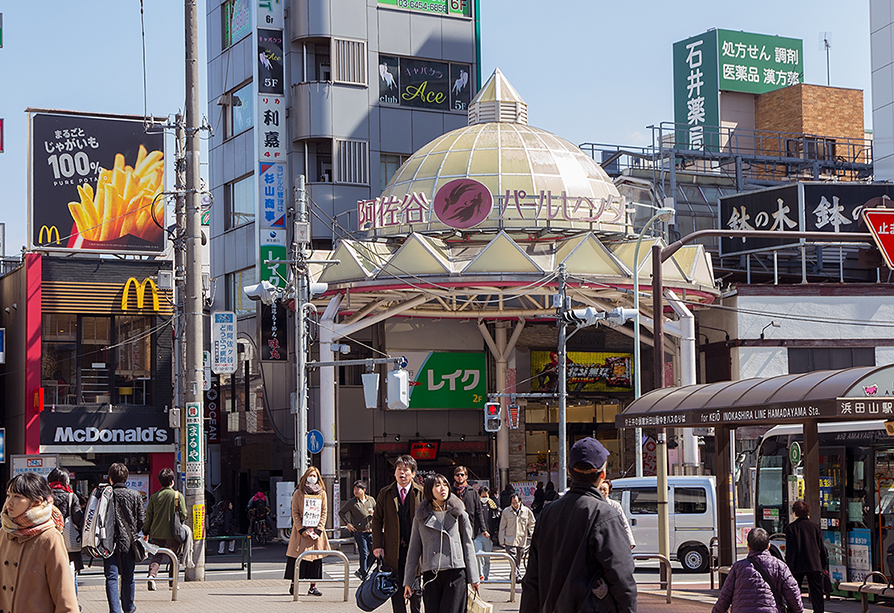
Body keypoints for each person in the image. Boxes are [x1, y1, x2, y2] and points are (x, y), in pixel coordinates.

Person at [520, 437, 636, 613]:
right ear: (603, 474)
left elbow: (532, 581)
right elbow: (622, 580)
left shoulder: (547, 513)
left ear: (569, 472)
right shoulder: (605, 515)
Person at [0, 472, 79, 613]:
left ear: (36, 501)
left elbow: (65, 599)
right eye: (8, 495)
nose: (9, 502)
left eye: (17, 496)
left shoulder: (49, 537)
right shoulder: (4, 532)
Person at [403, 474, 480, 613]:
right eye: (437, 485)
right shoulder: (421, 517)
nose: (442, 488)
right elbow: (414, 550)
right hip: (431, 575)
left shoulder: (459, 513)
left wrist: (474, 577)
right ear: (428, 490)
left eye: (445, 485)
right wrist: (408, 581)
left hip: (456, 573)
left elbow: (468, 545)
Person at [372, 455, 424, 613]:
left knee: (416, 587)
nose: (402, 473)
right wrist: (378, 545)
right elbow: (376, 520)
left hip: (415, 549)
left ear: (413, 473)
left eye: (406, 470)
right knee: (396, 587)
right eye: (399, 469)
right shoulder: (385, 493)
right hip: (393, 550)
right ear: (394, 473)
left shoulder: (421, 493)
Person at [712, 527, 804, 613]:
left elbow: (724, 598)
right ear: (768, 546)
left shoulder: (738, 567)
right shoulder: (780, 566)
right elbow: (793, 594)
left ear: (748, 547)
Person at [105, 462, 146, 613]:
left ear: (110, 478)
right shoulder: (135, 495)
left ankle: (115, 610)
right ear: (127, 478)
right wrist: (134, 531)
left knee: (111, 577)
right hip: (129, 542)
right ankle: (128, 607)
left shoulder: (105, 495)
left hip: (108, 543)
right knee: (128, 576)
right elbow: (142, 519)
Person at [285, 466, 330, 597]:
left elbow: (324, 512)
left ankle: (313, 586)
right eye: (310, 475)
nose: (312, 478)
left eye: (315, 475)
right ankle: (294, 584)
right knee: (297, 559)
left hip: (316, 532)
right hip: (302, 531)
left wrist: (319, 530)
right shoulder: (298, 492)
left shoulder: (322, 493)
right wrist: (301, 530)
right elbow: (295, 512)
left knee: (315, 560)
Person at [143, 467, 188, 590]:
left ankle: (152, 577)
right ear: (172, 481)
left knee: (156, 556)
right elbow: (184, 514)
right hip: (173, 533)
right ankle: (172, 583)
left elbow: (149, 517)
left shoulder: (154, 497)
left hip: (157, 533)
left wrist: (146, 531)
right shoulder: (177, 496)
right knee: (174, 557)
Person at [785, 500, 829, 613]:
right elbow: (821, 547)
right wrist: (823, 564)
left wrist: (789, 566)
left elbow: (791, 551)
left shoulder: (791, 528)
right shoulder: (815, 527)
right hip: (814, 563)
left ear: (794, 512)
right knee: (817, 593)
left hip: (797, 565)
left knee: (794, 591)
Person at [48, 467, 85, 593]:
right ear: (64, 480)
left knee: (50, 573)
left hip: (49, 541)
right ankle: (72, 603)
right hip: (68, 542)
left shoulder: (44, 496)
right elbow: (78, 519)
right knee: (70, 573)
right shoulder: (71, 497)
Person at [452, 466, 490, 581]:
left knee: (469, 554)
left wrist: (483, 529)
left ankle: (470, 578)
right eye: (457, 474)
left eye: (462, 475)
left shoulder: (472, 491)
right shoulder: (450, 491)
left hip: (469, 527)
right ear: (454, 476)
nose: (460, 477)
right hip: (453, 528)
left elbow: (479, 512)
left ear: (466, 477)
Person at [339, 479, 376, 579]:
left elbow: (378, 512)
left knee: (373, 553)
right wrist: (348, 524)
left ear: (363, 490)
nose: (355, 491)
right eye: (354, 489)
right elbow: (341, 512)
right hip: (359, 531)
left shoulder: (371, 500)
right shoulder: (352, 502)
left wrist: (374, 514)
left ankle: (362, 570)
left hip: (371, 530)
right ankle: (364, 574)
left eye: (358, 489)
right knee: (363, 553)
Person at [499, 493, 535, 581]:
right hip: (510, 539)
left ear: (520, 501)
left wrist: (533, 535)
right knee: (513, 557)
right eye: (513, 503)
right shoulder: (506, 512)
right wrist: (501, 539)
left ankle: (513, 574)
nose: (515, 505)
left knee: (519, 558)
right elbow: (502, 526)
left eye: (516, 502)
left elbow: (531, 524)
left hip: (521, 539)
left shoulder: (526, 511)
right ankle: (516, 576)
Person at [598, 479, 635, 550]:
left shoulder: (615, 505)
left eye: (605, 489)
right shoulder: (593, 504)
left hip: (611, 538)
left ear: (609, 491)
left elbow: (624, 523)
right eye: (600, 489)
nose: (602, 492)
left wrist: (630, 541)